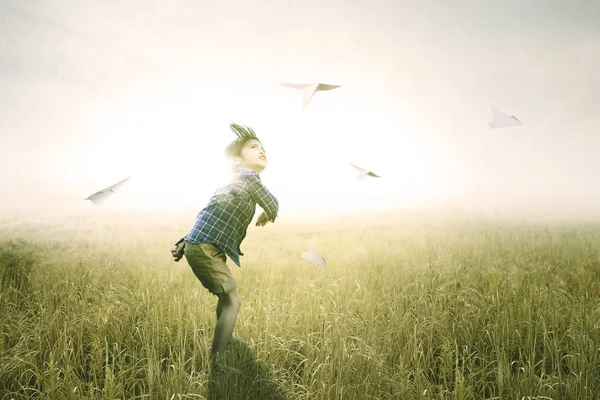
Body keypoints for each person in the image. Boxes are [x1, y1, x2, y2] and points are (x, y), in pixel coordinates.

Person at [171, 122, 279, 374]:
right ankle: (217, 363)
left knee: (226, 297)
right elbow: (272, 203)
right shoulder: (249, 177)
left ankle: (226, 336)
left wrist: (185, 241)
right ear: (237, 160)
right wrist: (268, 212)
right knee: (233, 300)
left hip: (204, 247)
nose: (262, 150)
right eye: (254, 147)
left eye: (263, 148)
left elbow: (210, 213)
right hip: (206, 249)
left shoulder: (231, 183)